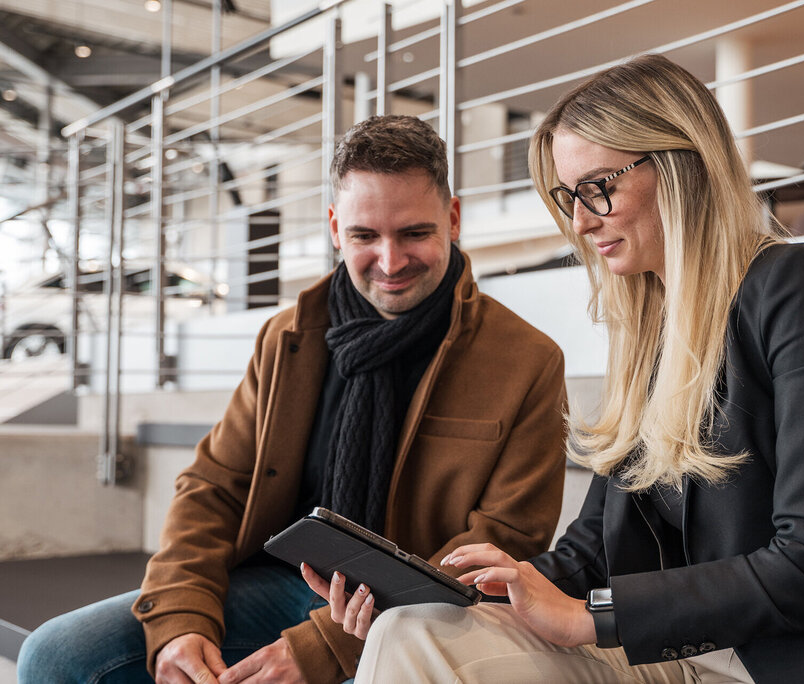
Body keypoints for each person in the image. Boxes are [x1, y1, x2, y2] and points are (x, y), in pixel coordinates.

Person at [308, 55, 804, 683]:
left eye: (598, 188)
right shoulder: (656, 330)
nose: (580, 221)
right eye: (569, 197)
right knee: (413, 628)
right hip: (688, 654)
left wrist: (593, 617)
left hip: (794, 663)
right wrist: (470, 588)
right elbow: (591, 551)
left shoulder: (802, 288)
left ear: (683, 166)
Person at [17, 115, 568, 684]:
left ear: (452, 220)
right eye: (364, 236)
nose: (390, 260)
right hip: (280, 580)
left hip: (413, 613)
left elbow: (500, 543)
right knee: (55, 654)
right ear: (335, 228)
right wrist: (183, 617)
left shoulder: (527, 360)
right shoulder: (288, 338)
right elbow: (213, 487)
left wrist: (323, 647)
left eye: (413, 233)